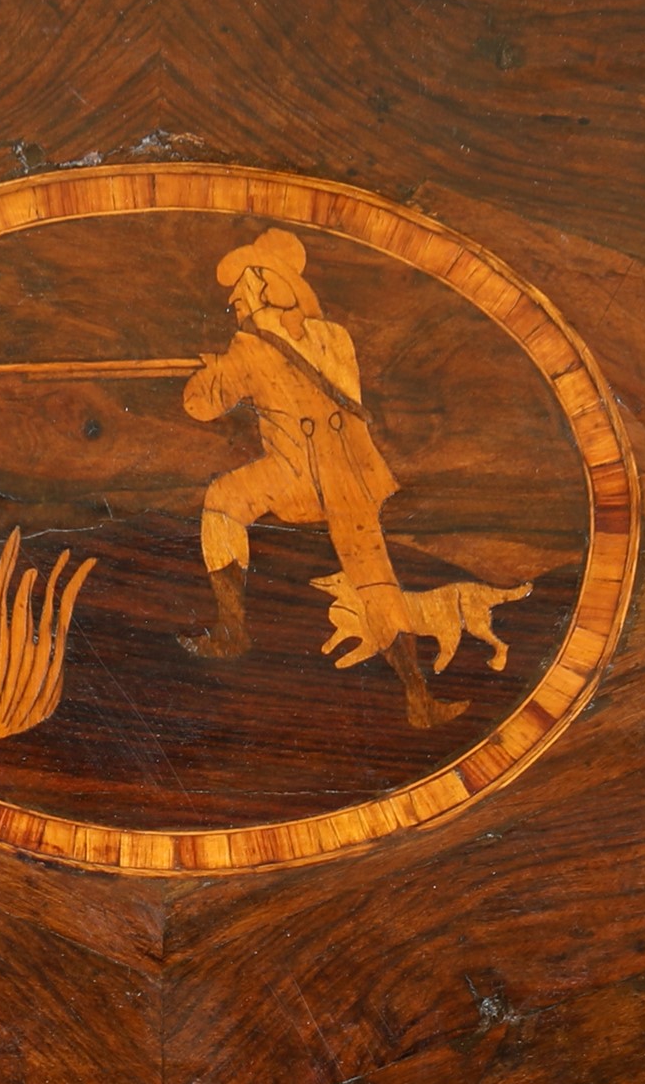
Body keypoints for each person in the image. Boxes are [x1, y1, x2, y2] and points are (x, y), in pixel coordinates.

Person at [178, 228, 464, 728]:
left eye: (243, 284)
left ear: (265, 283)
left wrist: (214, 371)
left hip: (307, 476)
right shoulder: (334, 337)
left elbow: (200, 405)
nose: (236, 297)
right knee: (369, 576)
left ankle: (233, 630)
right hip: (343, 472)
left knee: (368, 578)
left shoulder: (251, 347)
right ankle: (417, 698)